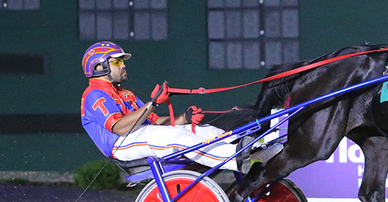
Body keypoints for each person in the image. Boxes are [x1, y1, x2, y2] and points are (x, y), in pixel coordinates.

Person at [80, 41, 279, 173]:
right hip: (120, 145)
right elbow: (120, 128)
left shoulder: (126, 94)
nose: (123, 65)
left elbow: (156, 122)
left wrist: (184, 118)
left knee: (202, 131)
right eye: (117, 61)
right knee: (176, 139)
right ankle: (233, 159)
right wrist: (153, 103)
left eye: (122, 61)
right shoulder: (94, 95)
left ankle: (260, 151)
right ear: (99, 67)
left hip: (140, 135)